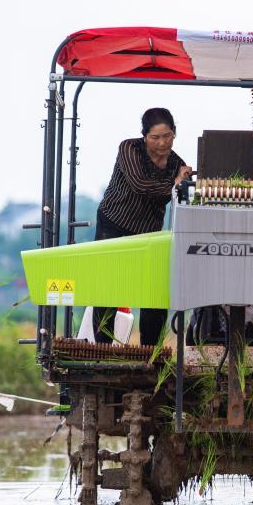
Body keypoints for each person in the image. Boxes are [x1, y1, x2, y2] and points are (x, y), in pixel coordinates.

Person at [91, 108, 192, 346]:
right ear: (144, 136)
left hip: (148, 232)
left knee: (153, 292)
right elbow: (141, 185)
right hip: (114, 224)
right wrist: (175, 184)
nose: (161, 143)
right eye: (155, 137)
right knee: (108, 288)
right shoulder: (129, 148)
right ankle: (102, 349)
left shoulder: (176, 163)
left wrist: (181, 185)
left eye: (167, 136)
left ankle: (150, 352)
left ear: (174, 134)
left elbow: (177, 196)